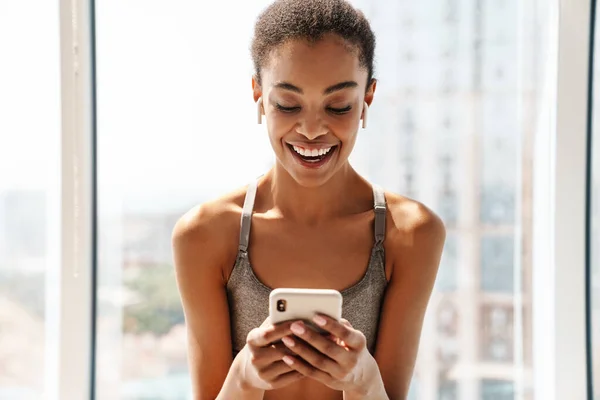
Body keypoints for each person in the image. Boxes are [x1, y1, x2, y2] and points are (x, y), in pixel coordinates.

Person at [171, 0, 446, 399]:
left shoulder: (411, 233)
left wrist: (364, 380)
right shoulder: (205, 234)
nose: (312, 129)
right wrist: (245, 377)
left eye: (338, 106)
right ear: (258, 96)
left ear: (367, 99)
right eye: (288, 104)